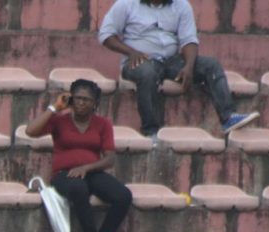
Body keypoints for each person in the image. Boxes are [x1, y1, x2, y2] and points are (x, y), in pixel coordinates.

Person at [98, 0, 257, 139]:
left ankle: (228, 117)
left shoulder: (181, 5)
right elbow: (106, 35)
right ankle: (150, 131)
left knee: (211, 65)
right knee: (147, 73)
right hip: (139, 60)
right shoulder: (126, 4)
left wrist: (188, 66)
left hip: (171, 61)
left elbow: (189, 40)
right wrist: (131, 52)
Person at [25, 79, 133, 232]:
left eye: (86, 99)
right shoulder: (59, 121)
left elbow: (110, 159)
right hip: (64, 174)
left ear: (95, 103)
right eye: (77, 98)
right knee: (78, 188)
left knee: (123, 196)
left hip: (92, 173)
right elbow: (30, 131)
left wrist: (86, 168)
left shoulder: (103, 124)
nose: (81, 103)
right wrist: (54, 108)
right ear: (71, 99)